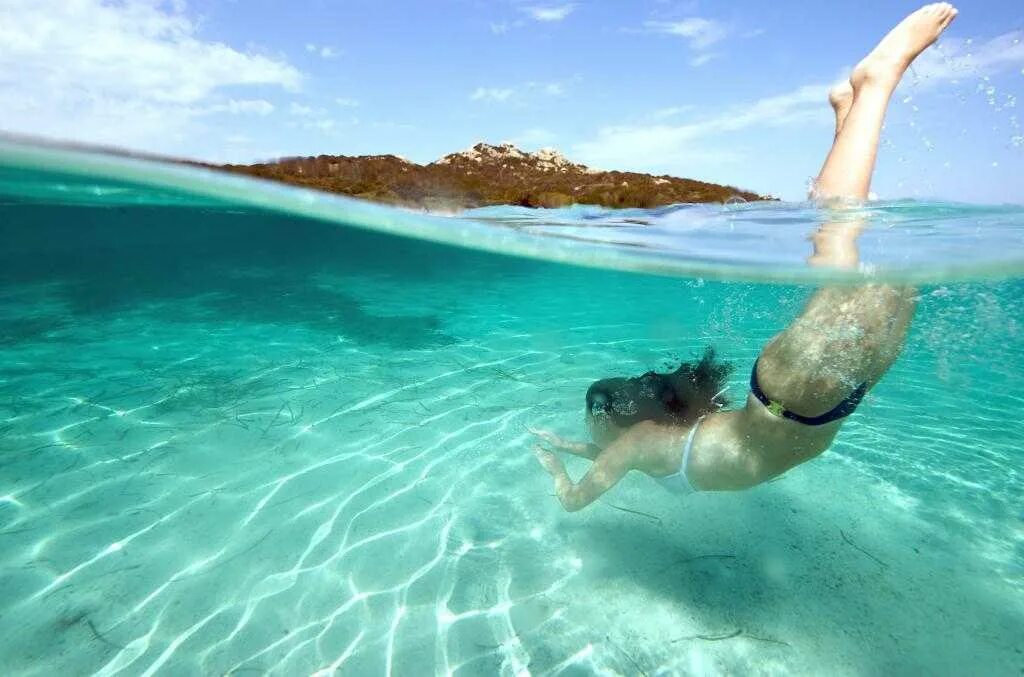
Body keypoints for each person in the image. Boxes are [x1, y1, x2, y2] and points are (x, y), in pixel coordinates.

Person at [532, 3, 959, 512]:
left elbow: (575, 500)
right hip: (808, 403)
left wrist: (559, 471)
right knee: (878, 275)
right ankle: (848, 113)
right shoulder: (643, 445)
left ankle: (877, 82)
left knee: (842, 255)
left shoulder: (641, 441)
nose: (592, 429)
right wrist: (571, 447)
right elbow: (609, 453)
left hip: (801, 404)